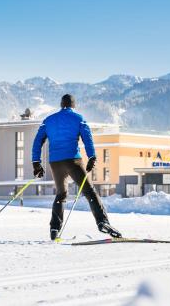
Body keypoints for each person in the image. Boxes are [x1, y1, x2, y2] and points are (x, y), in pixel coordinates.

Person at [32, 94, 122, 240]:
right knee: (89, 192)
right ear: (74, 105)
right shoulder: (79, 118)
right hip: (73, 160)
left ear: (61, 105)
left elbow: (37, 142)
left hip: (55, 163)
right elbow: (88, 138)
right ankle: (103, 222)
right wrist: (92, 157)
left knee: (61, 194)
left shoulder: (48, 121)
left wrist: (36, 163)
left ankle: (54, 229)